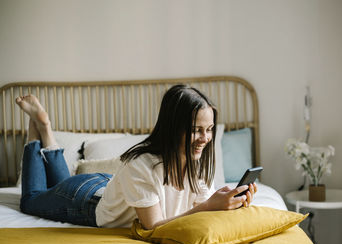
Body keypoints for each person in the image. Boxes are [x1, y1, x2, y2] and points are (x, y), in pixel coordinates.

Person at [17, 85, 257, 229]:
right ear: (174, 127)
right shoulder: (142, 165)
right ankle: (37, 130)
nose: (205, 138)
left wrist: (226, 201)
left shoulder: (197, 160)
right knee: (31, 200)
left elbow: (202, 210)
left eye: (209, 129)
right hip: (84, 200)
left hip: (108, 186)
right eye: (196, 130)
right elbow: (153, 226)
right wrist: (209, 205)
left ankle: (46, 133)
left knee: (57, 186)